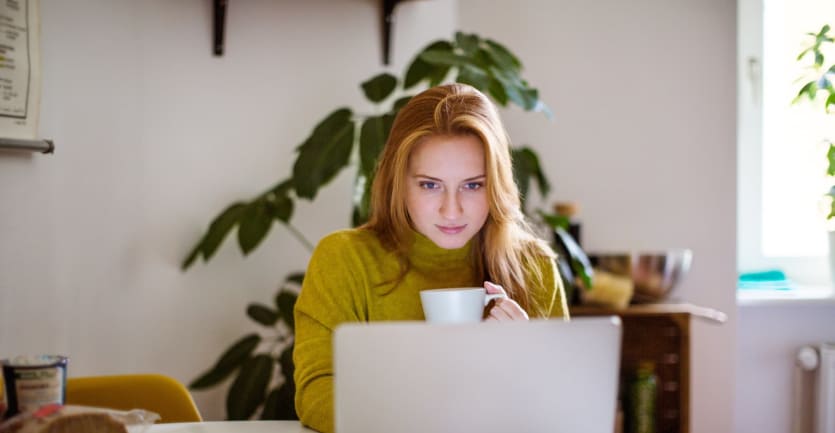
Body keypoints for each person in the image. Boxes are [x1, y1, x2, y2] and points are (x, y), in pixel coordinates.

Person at [292, 83, 569, 433]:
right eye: (429, 185)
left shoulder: (534, 267)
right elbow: (316, 392)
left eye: (473, 185)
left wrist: (525, 364)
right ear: (399, 182)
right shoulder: (344, 260)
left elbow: (563, 410)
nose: (451, 210)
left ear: (496, 184)